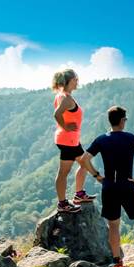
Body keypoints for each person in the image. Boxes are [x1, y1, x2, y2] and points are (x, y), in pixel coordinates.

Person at [79, 105, 134, 267]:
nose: (126, 121)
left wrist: (97, 176)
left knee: (114, 225)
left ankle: (116, 261)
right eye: (125, 119)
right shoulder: (131, 137)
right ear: (121, 121)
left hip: (109, 188)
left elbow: (84, 159)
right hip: (127, 185)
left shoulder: (101, 139)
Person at [52, 68, 96, 213]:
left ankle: (79, 194)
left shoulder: (62, 95)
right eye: (76, 79)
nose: (78, 82)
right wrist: (65, 126)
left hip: (70, 140)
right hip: (67, 141)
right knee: (64, 172)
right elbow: (57, 114)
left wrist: (65, 126)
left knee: (84, 164)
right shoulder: (66, 98)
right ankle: (63, 204)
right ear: (70, 81)